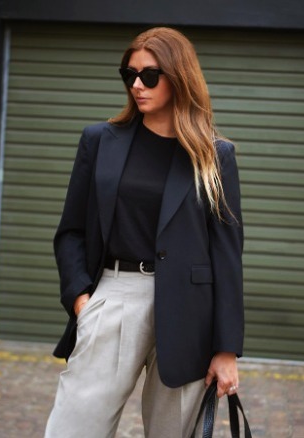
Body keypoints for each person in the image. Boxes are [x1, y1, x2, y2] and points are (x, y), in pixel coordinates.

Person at [44, 27, 245, 438]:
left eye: (149, 75)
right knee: (74, 427)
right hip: (115, 297)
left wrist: (226, 349)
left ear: (179, 77)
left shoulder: (214, 154)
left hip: (191, 311)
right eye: (129, 74)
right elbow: (71, 231)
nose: (137, 85)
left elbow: (227, 254)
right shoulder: (100, 140)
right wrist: (83, 299)